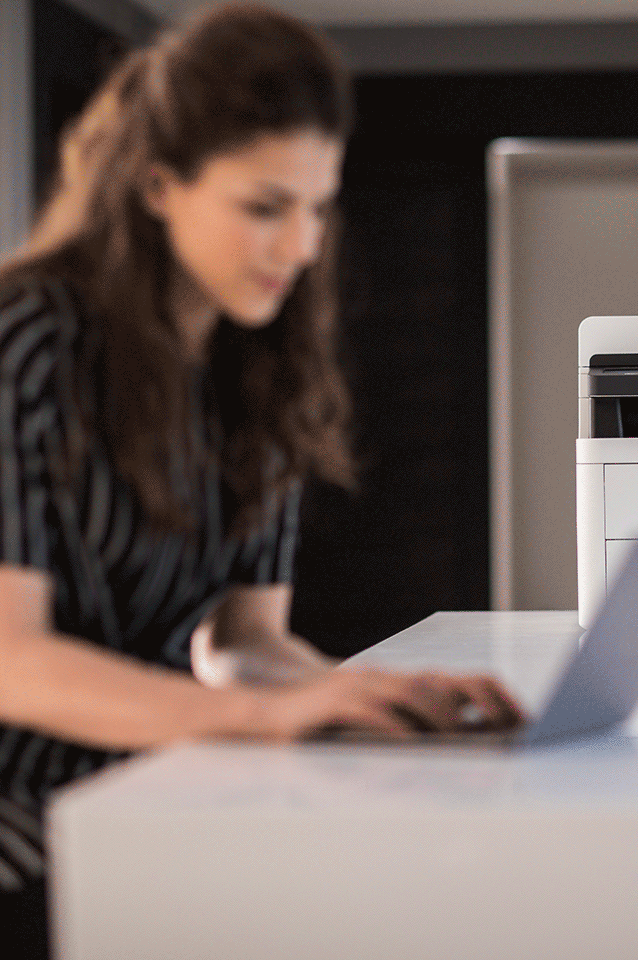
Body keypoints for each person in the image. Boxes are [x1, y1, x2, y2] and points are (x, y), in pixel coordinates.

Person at [0, 3, 524, 954]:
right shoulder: (28, 343)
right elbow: (11, 662)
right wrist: (265, 717)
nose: (301, 247)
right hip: (22, 834)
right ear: (159, 186)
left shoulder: (255, 369)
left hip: (143, 801)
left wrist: (371, 703)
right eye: (263, 207)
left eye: (318, 207)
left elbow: (245, 642)